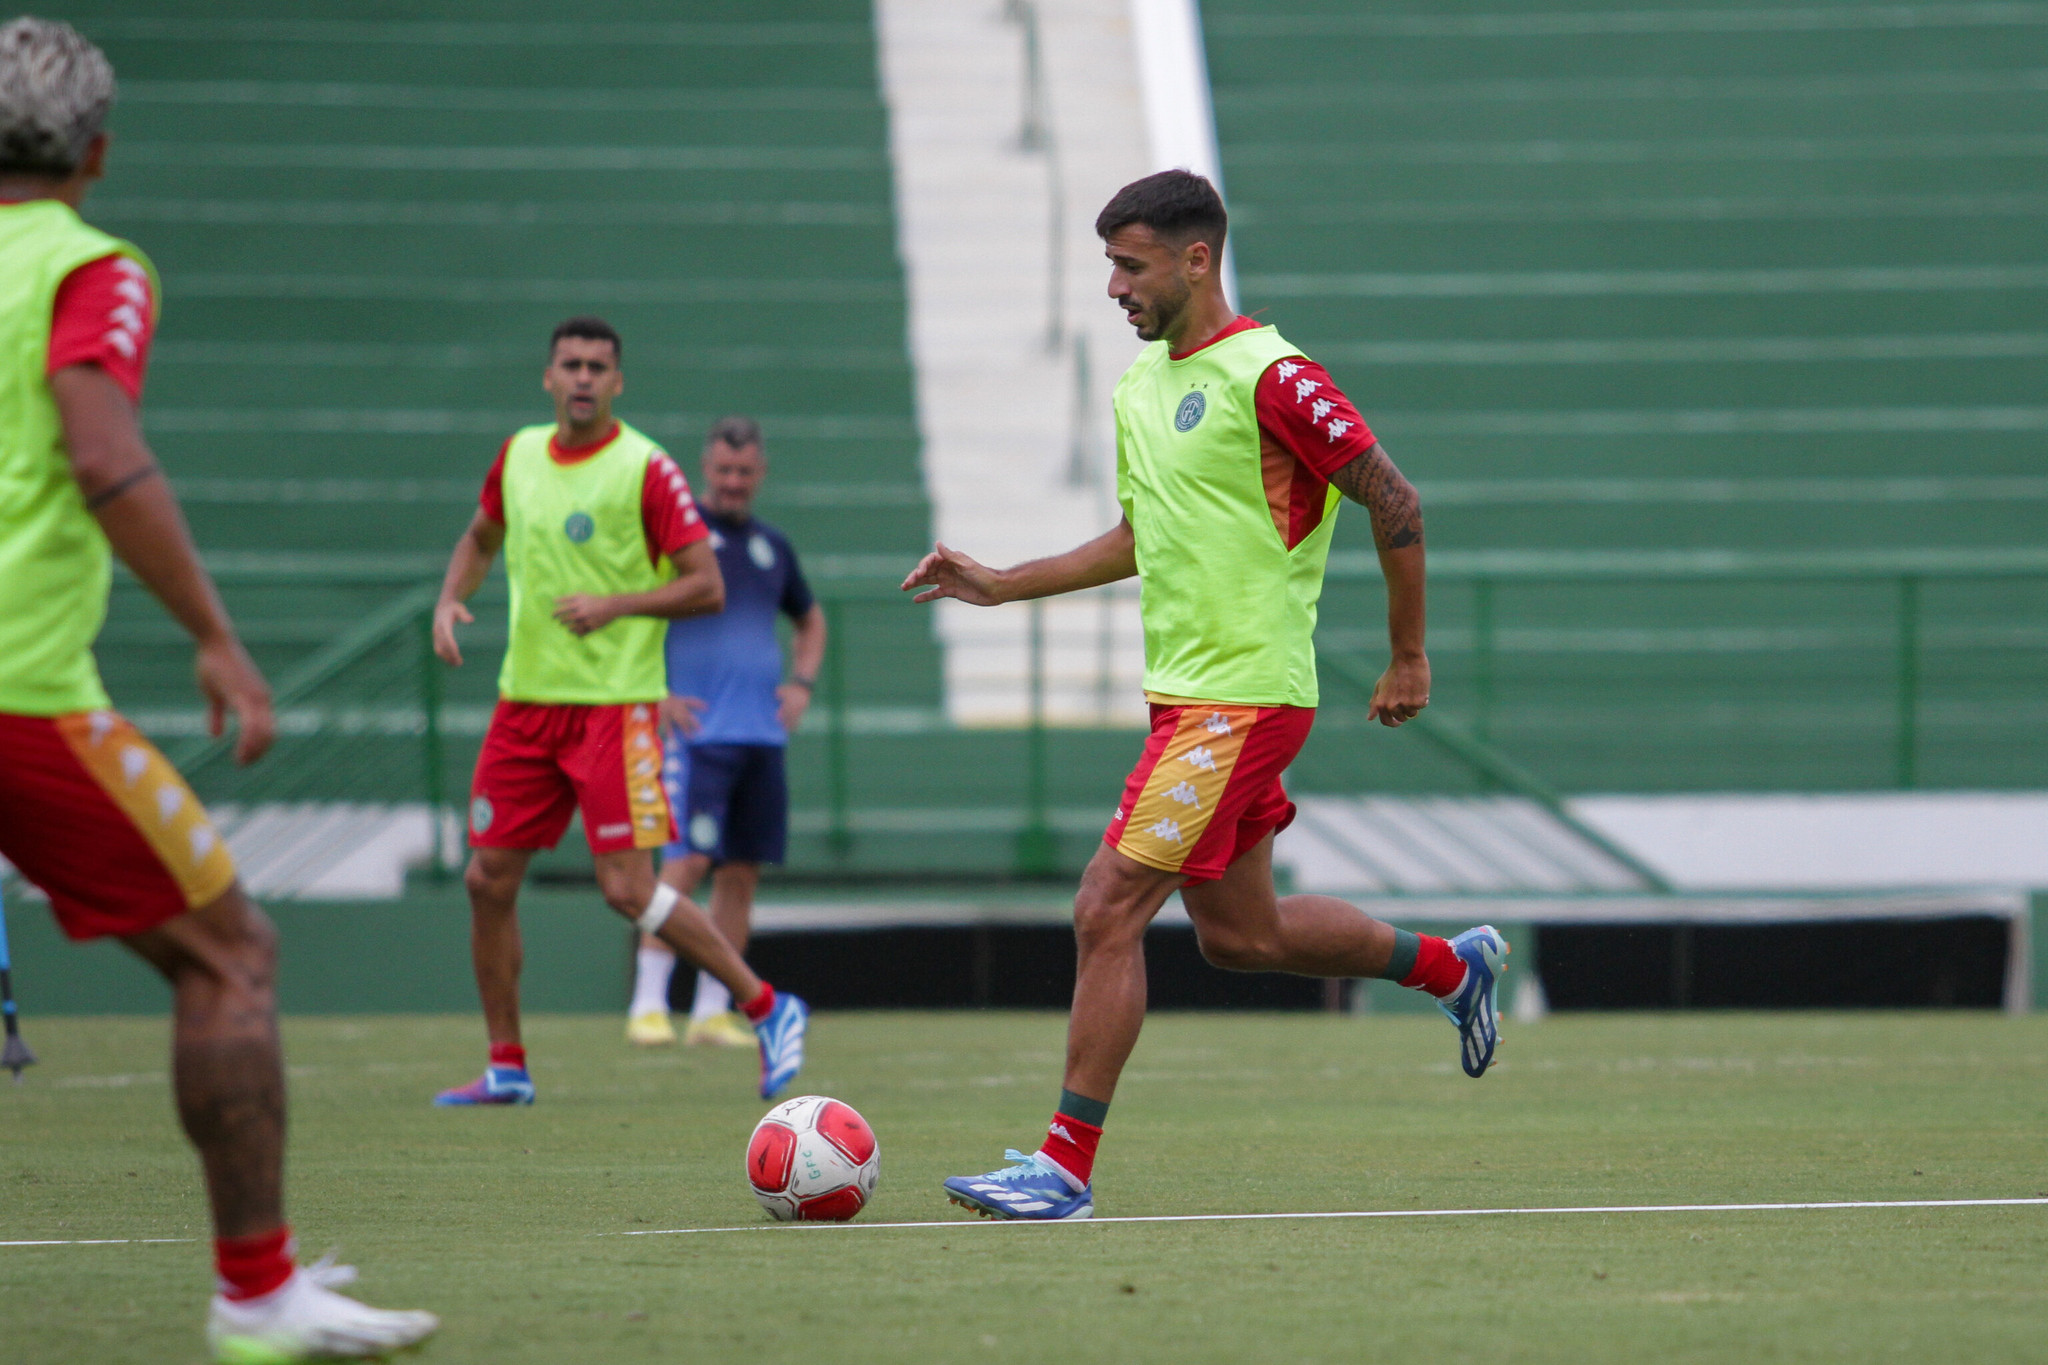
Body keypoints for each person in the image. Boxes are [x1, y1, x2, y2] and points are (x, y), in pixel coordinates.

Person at [905, 171, 1508, 1221]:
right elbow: (1142, 538)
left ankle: (1061, 1168)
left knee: (1105, 908)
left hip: (1240, 700)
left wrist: (1406, 655)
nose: (1112, 288)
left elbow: (1393, 496)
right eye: (1106, 266)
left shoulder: (1273, 376)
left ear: (1196, 260)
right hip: (1184, 699)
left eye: (1128, 266)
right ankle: (1450, 972)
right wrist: (1003, 582)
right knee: (1245, 938)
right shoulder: (1139, 390)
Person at [0, 19, 438, 1359]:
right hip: (20, 690)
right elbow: (101, 451)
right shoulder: (89, 270)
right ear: (101, 151)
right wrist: (214, 638)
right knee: (230, 952)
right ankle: (258, 1291)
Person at [431, 319, 809, 1104]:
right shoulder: (520, 455)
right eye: (569, 364)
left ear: (617, 382)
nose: (582, 377)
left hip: (615, 710)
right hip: (525, 704)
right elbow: (479, 536)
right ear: (547, 376)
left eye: (597, 367)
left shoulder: (647, 469)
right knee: (485, 878)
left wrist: (617, 604)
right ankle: (506, 1063)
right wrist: (448, 600)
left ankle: (768, 1006)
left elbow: (705, 583)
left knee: (628, 889)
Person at [625, 417, 827, 1047]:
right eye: (723, 471)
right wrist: (653, 692)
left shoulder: (774, 548)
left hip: (760, 737)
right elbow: (629, 616)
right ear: (704, 471)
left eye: (745, 471)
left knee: (740, 874)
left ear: (760, 473)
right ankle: (649, 1004)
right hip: (697, 736)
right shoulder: (676, 542)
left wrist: (801, 683)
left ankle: (714, 1010)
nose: (734, 482)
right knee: (684, 864)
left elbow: (810, 620)